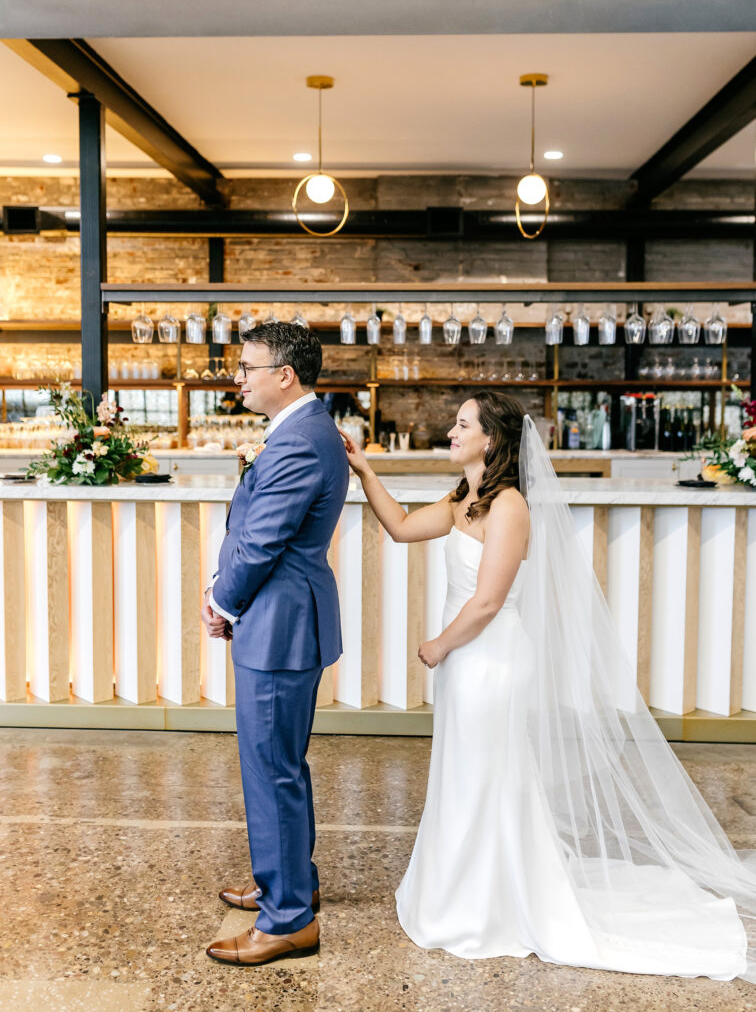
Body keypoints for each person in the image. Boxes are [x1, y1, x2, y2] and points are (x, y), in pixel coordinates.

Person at [342, 390, 756, 981]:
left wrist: (437, 645)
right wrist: (364, 470)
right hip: (467, 664)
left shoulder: (509, 506)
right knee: (465, 776)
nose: (451, 431)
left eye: (463, 425)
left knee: (487, 778)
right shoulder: (466, 499)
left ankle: (492, 904)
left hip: (491, 661)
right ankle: (461, 890)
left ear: (492, 440)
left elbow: (487, 603)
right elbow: (403, 528)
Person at [202, 321, 349, 967]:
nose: (240, 377)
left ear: (284, 374)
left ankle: (287, 918)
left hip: (278, 625)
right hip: (283, 618)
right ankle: (290, 881)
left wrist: (220, 600)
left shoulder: (298, 442)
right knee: (282, 763)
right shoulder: (303, 430)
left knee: (271, 769)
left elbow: (262, 540)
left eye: (248, 367)